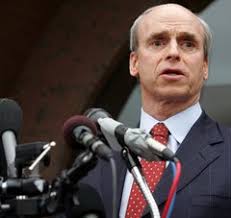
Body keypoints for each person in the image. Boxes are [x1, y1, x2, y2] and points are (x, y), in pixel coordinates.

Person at [81, 3, 231, 218]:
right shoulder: (97, 163)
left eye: (188, 44)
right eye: (157, 42)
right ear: (134, 63)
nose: (173, 53)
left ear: (205, 66)